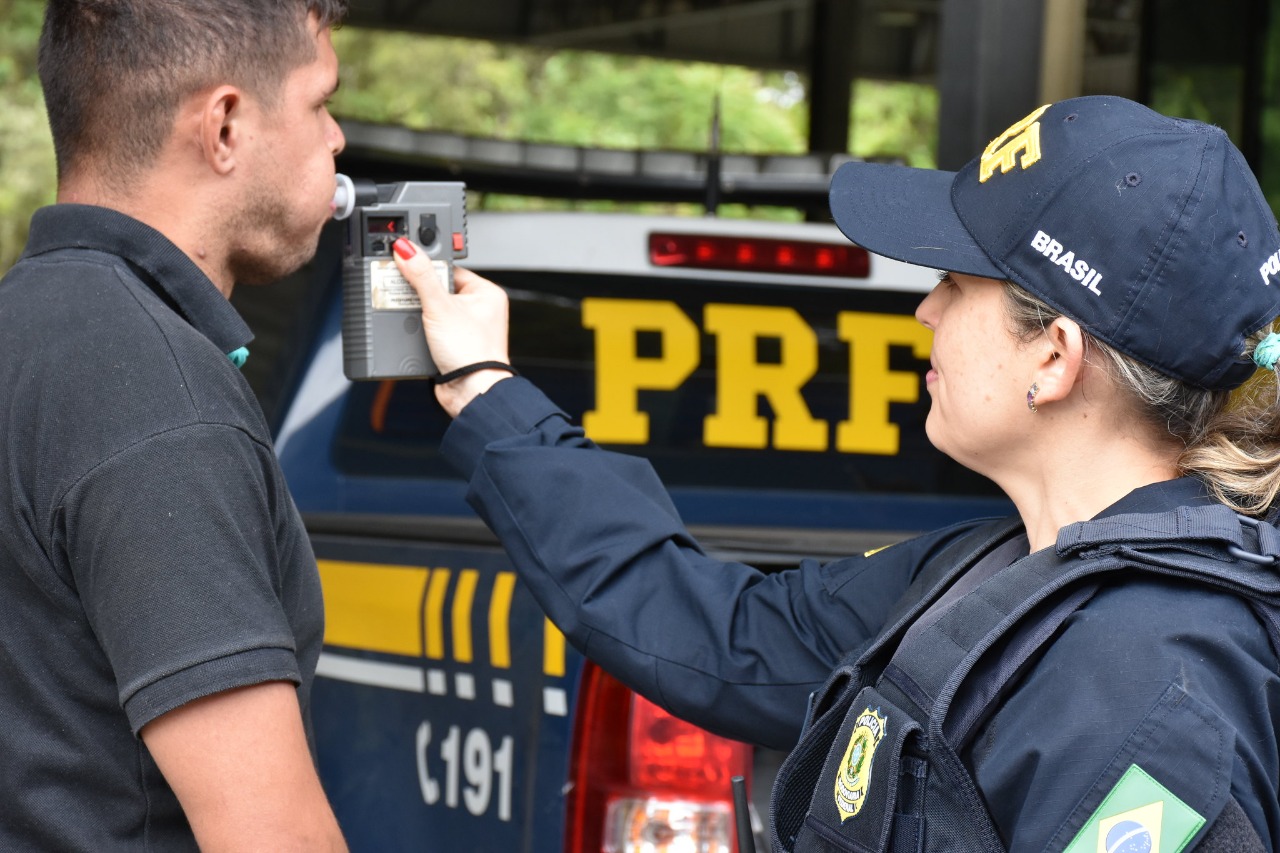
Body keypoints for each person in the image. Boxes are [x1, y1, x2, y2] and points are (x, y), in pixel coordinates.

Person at [392, 96, 1280, 852]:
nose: (925, 310)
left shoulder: (1157, 684)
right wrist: (487, 387)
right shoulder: (993, 575)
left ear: (1054, 356)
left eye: (955, 283)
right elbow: (716, 631)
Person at [0, 1, 350, 849]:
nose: (337, 138)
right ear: (225, 125)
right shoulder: (159, 398)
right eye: (319, 101)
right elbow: (272, 836)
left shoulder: (25, 324)